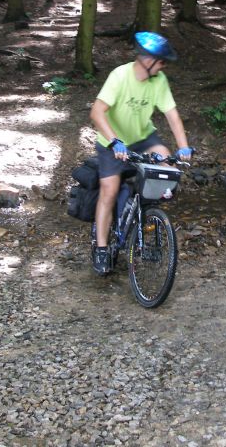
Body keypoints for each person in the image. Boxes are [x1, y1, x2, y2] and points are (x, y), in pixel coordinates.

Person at [89, 31, 194, 275]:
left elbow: (172, 116)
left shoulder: (159, 81)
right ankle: (102, 248)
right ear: (148, 60)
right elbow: (96, 112)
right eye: (161, 62)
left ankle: (146, 214)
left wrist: (183, 147)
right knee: (109, 190)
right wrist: (114, 141)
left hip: (143, 138)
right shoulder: (120, 76)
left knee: (166, 165)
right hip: (112, 141)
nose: (164, 66)